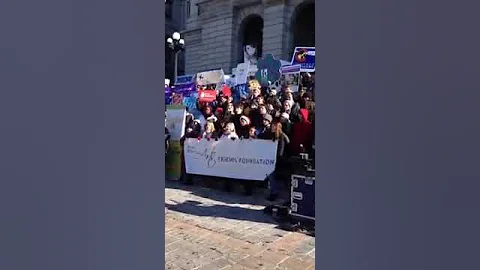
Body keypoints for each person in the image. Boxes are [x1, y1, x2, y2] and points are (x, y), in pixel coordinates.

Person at [266, 122, 291, 201]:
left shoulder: (282, 137)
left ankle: (283, 196)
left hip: (282, 161)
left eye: (273, 126)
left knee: (282, 180)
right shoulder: (273, 136)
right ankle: (274, 193)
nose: (271, 128)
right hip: (275, 160)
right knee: (272, 177)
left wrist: (276, 160)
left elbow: (281, 151)